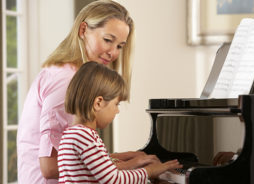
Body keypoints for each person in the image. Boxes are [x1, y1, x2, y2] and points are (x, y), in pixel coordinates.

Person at [17, 0, 159, 183]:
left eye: (120, 46)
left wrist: (126, 157)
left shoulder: (70, 73)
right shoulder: (67, 81)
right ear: (83, 30)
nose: (113, 53)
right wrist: (135, 166)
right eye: (108, 40)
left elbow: (74, 155)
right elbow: (51, 168)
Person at [58, 61, 182, 183]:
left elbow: (102, 169)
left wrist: (130, 159)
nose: (117, 111)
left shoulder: (72, 134)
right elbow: (114, 179)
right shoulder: (83, 136)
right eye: (116, 104)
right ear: (98, 103)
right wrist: (150, 171)